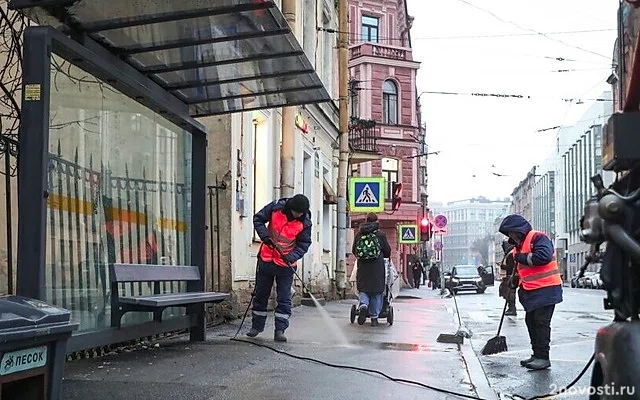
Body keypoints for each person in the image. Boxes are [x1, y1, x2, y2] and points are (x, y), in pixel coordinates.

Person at [499, 214, 563, 370]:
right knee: (531, 323)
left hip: (546, 289)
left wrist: (520, 257)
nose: (511, 236)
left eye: (512, 232)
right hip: (532, 291)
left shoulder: (538, 238)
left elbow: (543, 256)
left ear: (518, 230)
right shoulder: (518, 247)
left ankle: (543, 357)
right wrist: (515, 281)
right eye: (509, 234)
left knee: (541, 323)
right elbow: (525, 270)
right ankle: (536, 354)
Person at [246, 194, 312, 342]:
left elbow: (304, 244)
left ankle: (280, 330)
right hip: (266, 259)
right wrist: (265, 237)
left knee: (284, 298)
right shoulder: (276, 208)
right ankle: (256, 326)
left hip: (286, 265)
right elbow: (258, 219)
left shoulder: (305, 222)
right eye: (296, 212)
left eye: (301, 213)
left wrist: (292, 256)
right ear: (291, 208)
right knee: (261, 294)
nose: (298, 215)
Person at [353, 212, 391, 326]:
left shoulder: (359, 234)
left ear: (366, 220)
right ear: (376, 221)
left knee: (363, 289)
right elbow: (387, 251)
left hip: (363, 266)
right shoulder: (380, 235)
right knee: (377, 292)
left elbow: (354, 250)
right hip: (377, 267)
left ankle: (363, 305)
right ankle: (374, 317)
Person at [499, 240, 518, 316]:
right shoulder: (511, 253)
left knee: (510, 293)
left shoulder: (510, 255)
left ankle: (512, 308)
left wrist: (502, 266)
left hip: (510, 276)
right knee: (508, 293)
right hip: (510, 276)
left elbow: (511, 267)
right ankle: (511, 308)